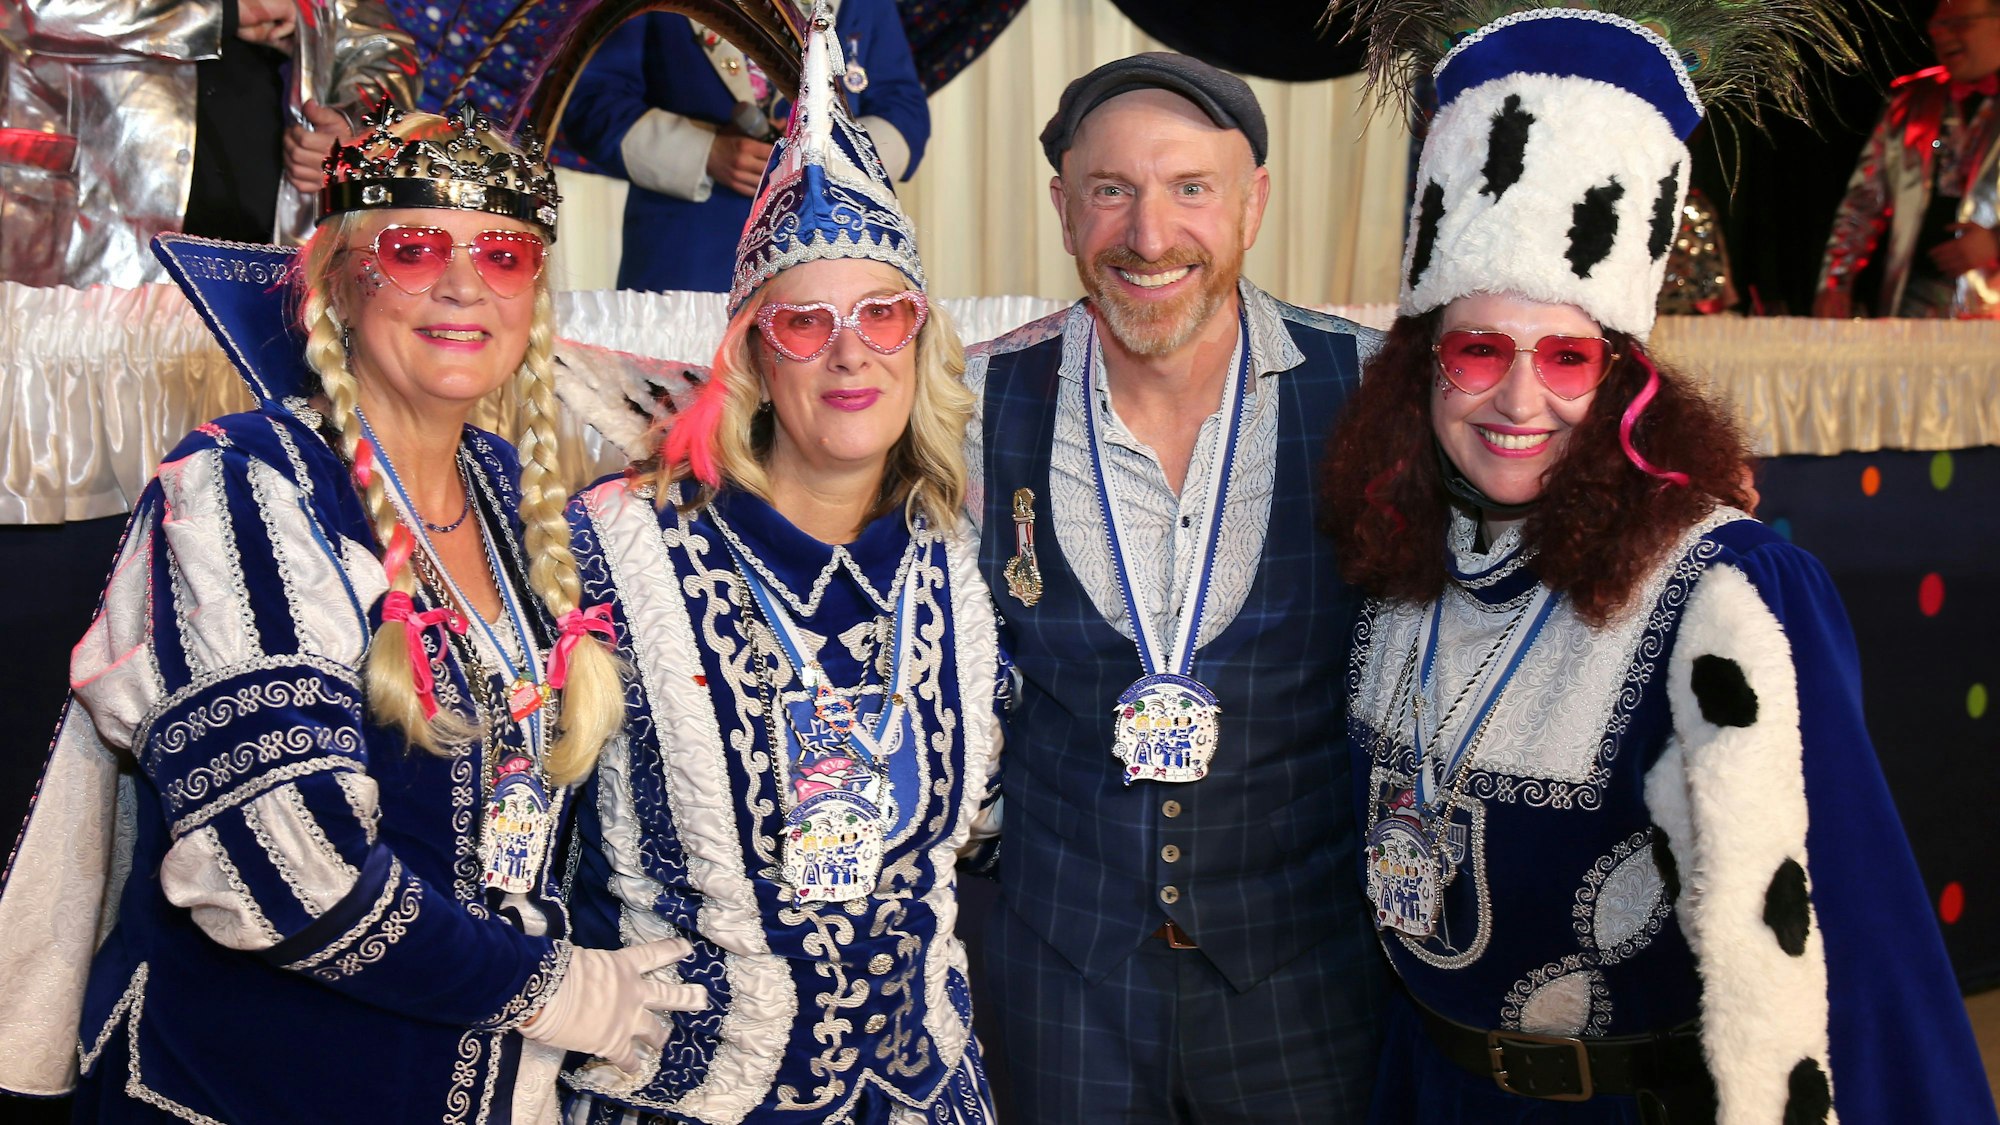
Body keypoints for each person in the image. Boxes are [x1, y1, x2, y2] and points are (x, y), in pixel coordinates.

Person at [1323, 2, 2000, 1119]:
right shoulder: (1395, 562)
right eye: (1479, 349)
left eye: (1567, 356)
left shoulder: (1724, 589)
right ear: (1422, 368)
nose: (1519, 398)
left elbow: (1855, 935)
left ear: (1624, 381)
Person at [0, 102, 705, 1121]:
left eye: (503, 256)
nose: (463, 284)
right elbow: (278, 867)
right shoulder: (246, 486)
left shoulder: (513, 494)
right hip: (253, 1092)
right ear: (337, 283)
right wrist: (554, 990)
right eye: (414, 250)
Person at [560, 9, 999, 1122]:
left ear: (922, 342)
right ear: (753, 354)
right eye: (803, 323)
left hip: (923, 1092)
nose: (849, 351)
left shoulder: (955, 557)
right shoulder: (618, 550)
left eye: (883, 315)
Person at [964, 52, 1385, 1123]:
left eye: (1190, 188)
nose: (1149, 237)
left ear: (1253, 204)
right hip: (1059, 975)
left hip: (1304, 977)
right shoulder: (968, 399)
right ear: (1064, 210)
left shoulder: (1375, 391)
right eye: (1112, 190)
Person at [0, 0, 415, 287]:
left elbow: (384, 51)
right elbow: (29, 10)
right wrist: (223, 11)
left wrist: (352, 126)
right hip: (95, 228)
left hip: (268, 246)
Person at [558, 0, 929, 293]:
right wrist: (705, 153)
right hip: (688, 256)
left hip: (833, 248)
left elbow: (905, 111)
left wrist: (834, 154)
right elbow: (591, 105)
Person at [1817, 0, 2000, 318]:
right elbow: (1864, 201)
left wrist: (1996, 242)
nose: (1942, 35)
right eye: (1937, 26)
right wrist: (1836, 282)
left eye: (1958, 23)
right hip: (1915, 301)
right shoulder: (1910, 99)